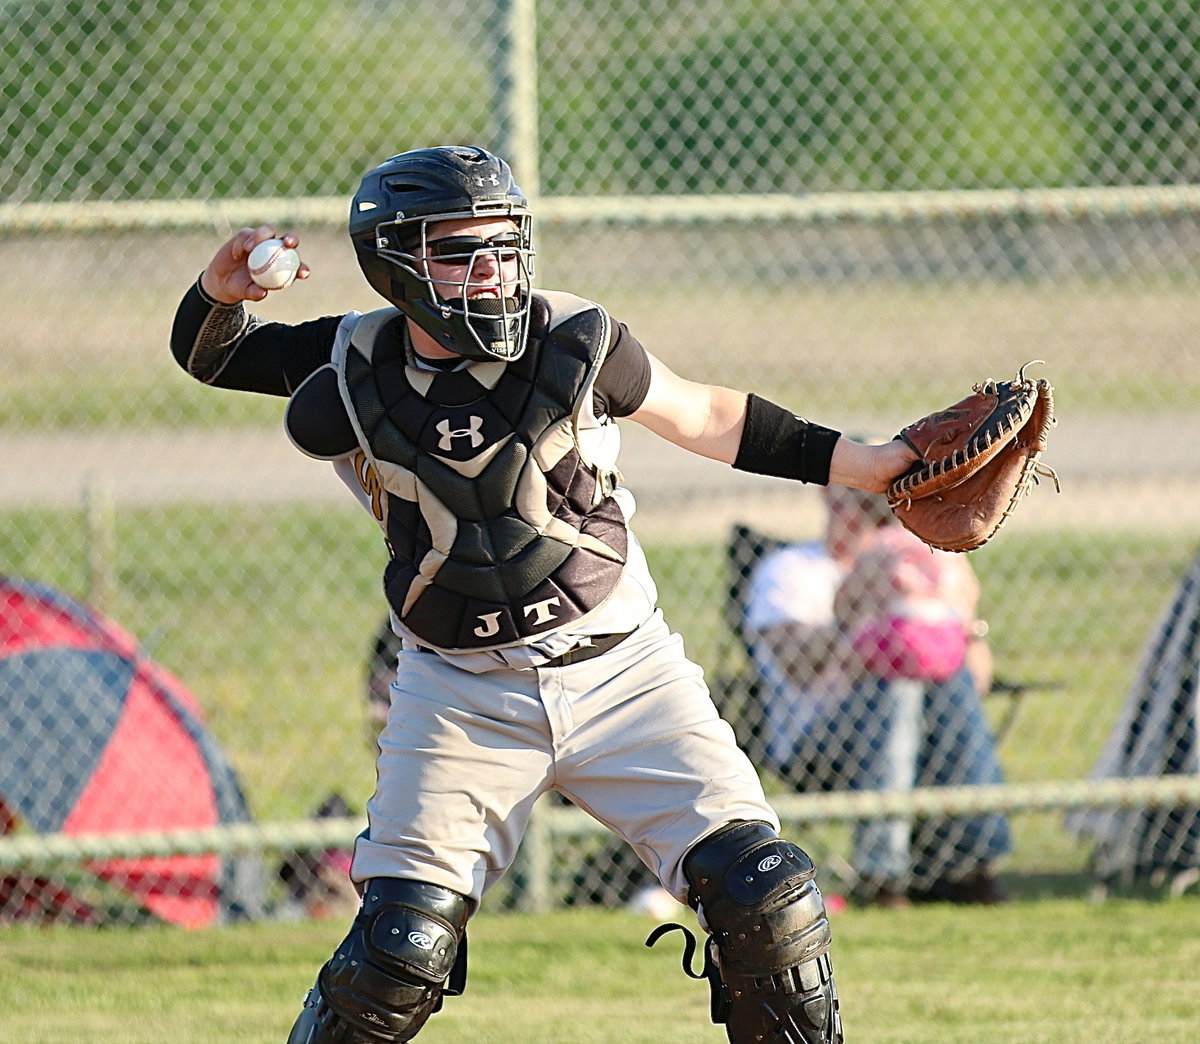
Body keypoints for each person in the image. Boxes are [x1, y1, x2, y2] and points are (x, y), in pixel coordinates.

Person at [170, 144, 918, 1044]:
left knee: (771, 899)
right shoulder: (354, 357)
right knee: (396, 954)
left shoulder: (577, 339)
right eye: (458, 251)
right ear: (395, 263)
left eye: (503, 246)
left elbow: (713, 417)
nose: (490, 271)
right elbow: (212, 358)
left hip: (624, 669)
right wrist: (218, 293)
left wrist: (869, 465)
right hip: (460, 693)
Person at [742, 484, 1012, 905]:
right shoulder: (790, 569)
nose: (875, 512)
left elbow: (977, 681)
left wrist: (958, 619)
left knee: (941, 671)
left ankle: (970, 864)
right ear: (829, 499)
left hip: (928, 737)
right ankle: (880, 874)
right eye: (860, 497)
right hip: (818, 740)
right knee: (896, 677)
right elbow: (796, 668)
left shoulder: (917, 565)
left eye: (886, 500)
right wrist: (862, 615)